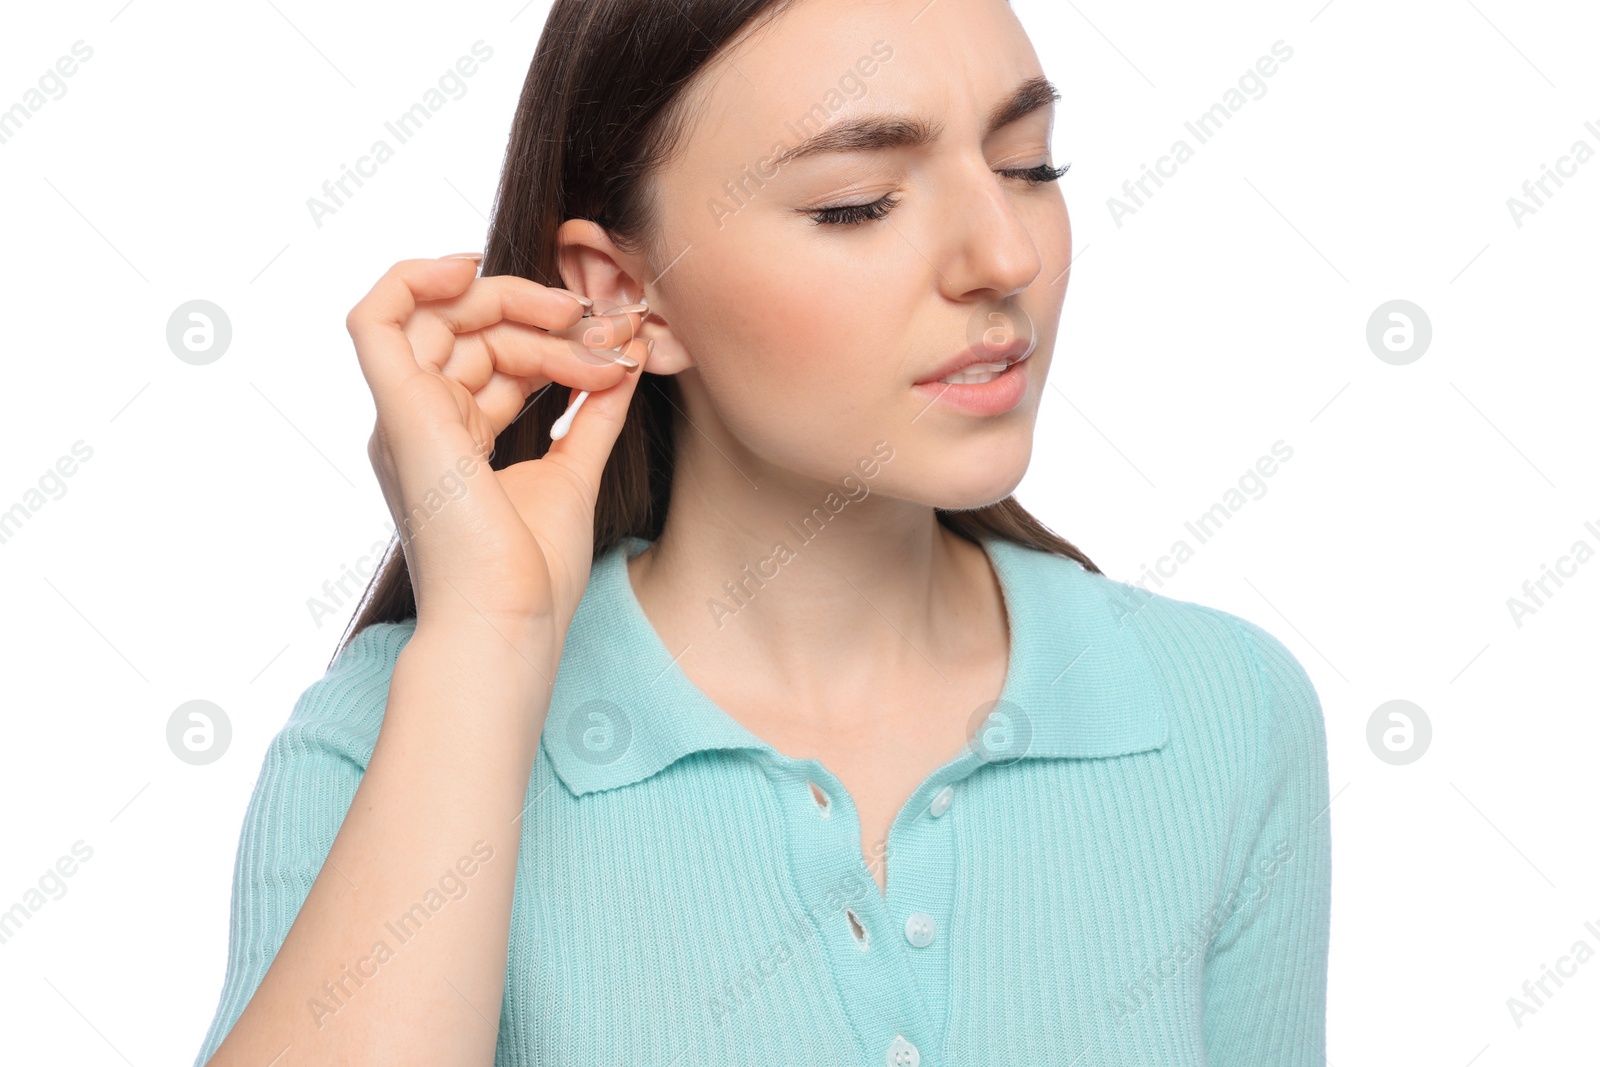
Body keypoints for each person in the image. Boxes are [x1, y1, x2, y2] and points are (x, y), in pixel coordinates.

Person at [193, 0, 1331, 1063]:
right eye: (858, 202)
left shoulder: (1222, 710)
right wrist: (485, 644)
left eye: (1026, 164)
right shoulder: (397, 732)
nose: (1005, 256)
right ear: (627, 294)